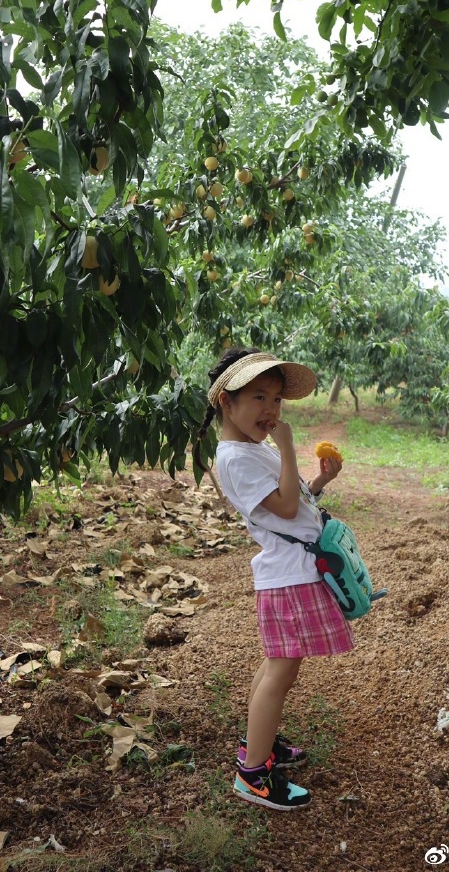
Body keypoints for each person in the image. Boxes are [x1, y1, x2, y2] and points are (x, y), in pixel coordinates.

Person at [193, 347, 352, 812]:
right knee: (280, 672)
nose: (271, 410)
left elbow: (291, 501)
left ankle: (257, 745)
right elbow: (281, 510)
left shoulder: (251, 449)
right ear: (227, 401)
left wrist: (317, 482)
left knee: (278, 666)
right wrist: (287, 447)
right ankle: (252, 776)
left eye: (277, 400)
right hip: (285, 575)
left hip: (292, 569)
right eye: (259, 397)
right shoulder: (236, 457)